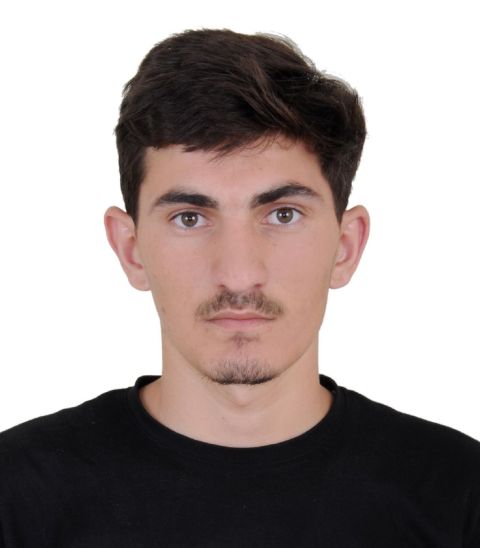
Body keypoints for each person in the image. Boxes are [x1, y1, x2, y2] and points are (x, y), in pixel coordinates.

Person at [0, 28, 479, 547]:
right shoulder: (16, 494)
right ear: (130, 249)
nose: (238, 273)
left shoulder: (459, 495)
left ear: (345, 246)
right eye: (189, 218)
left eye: (283, 214)